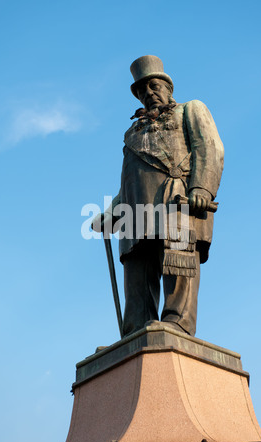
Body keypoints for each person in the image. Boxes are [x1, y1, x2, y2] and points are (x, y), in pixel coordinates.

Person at [93, 55, 224, 337]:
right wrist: (111, 214)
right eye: (142, 91)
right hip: (136, 210)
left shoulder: (191, 109)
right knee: (137, 270)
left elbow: (209, 148)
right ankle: (136, 330)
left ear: (168, 87)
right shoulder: (132, 132)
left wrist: (202, 186)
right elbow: (129, 180)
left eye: (153, 86)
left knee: (179, 263)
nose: (148, 94)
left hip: (174, 199)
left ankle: (177, 323)